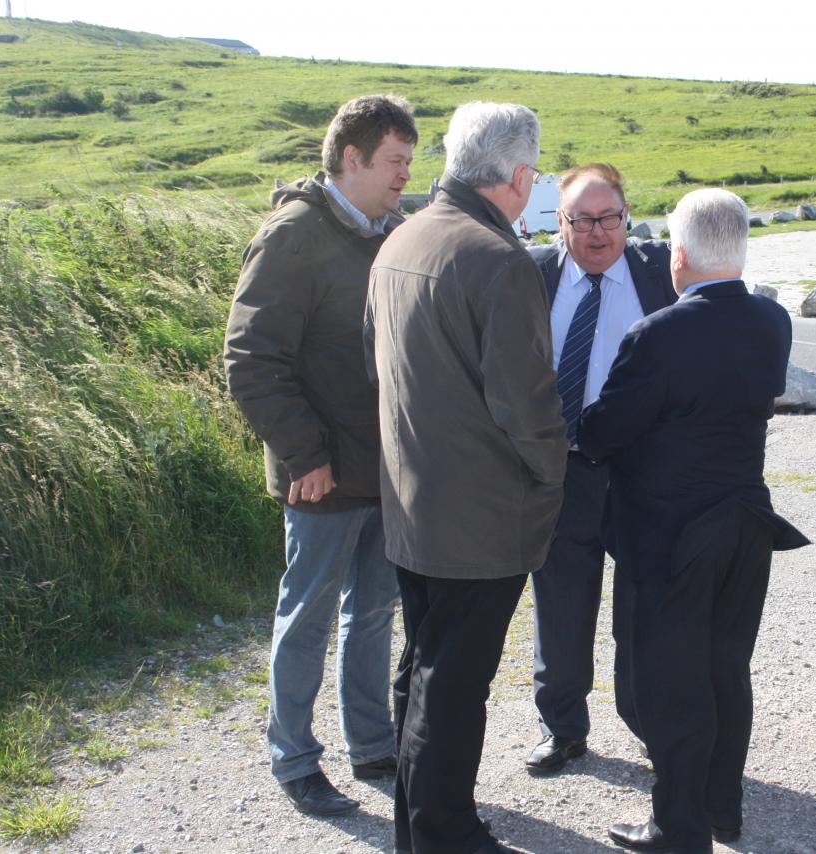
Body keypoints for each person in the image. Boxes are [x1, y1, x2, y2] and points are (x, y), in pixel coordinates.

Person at [579, 188, 809, 853]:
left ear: (678, 254)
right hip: (745, 522)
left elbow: (606, 429)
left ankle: (678, 828)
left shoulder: (658, 334)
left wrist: (588, 426)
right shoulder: (773, 321)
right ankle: (721, 808)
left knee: (671, 683)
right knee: (725, 671)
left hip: (673, 535)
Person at [365, 102, 568, 854]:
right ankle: (444, 832)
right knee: (453, 688)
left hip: (412, 499)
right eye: (535, 176)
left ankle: (420, 825)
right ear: (518, 176)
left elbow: (374, 369)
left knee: (424, 669)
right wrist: (553, 476)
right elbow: (527, 403)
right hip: (481, 517)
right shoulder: (498, 259)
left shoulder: (401, 238)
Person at [223, 94, 417, 818]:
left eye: (408, 161)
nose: (404, 175)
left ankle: (372, 747)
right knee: (305, 618)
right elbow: (250, 359)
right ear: (352, 159)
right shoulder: (294, 234)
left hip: (382, 473)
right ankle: (295, 759)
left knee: (372, 614)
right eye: (394, 161)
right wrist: (304, 453)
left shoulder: (387, 234)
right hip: (320, 475)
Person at [524, 162, 676, 774]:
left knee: (644, 606)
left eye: (608, 218)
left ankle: (647, 722)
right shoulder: (530, 275)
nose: (596, 233)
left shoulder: (660, 273)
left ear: (626, 216)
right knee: (560, 604)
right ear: (558, 223)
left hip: (643, 469)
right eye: (580, 221)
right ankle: (561, 727)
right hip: (559, 469)